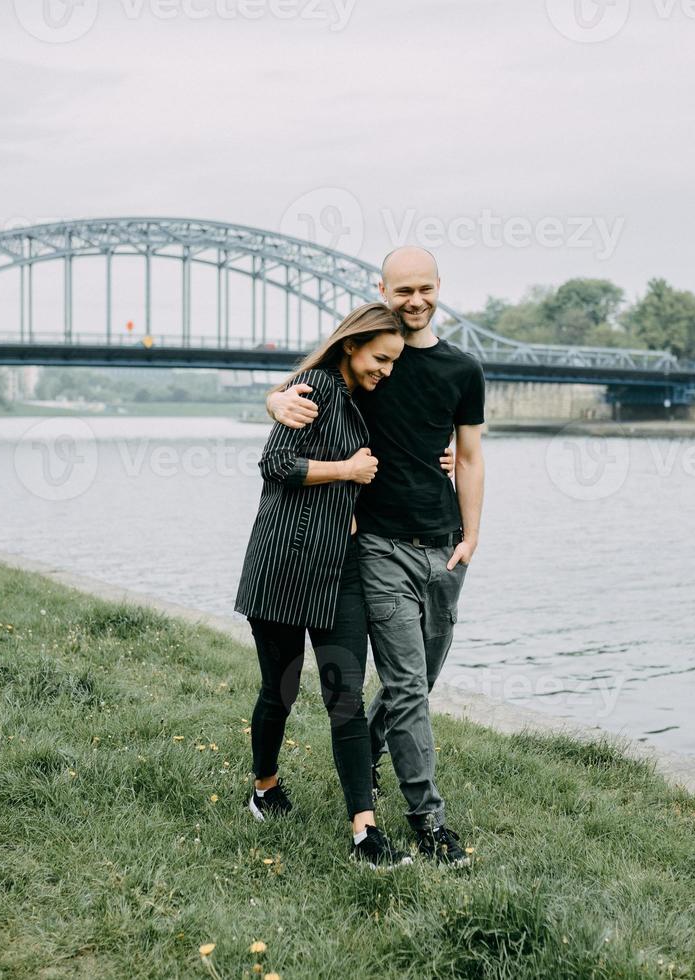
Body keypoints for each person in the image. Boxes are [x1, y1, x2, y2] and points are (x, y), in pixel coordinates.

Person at [266, 246, 486, 867]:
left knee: (419, 682)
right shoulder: (366, 361)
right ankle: (429, 821)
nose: (415, 300)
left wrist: (471, 536)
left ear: (440, 287)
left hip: (444, 548)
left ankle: (369, 756)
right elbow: (301, 384)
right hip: (379, 547)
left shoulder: (463, 370)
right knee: (408, 684)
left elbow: (468, 457)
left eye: (426, 289)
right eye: (403, 289)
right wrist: (272, 399)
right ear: (382, 289)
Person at [234, 302, 413, 868]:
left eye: (392, 362)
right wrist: (346, 470)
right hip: (284, 563)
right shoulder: (311, 388)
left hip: (341, 570)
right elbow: (276, 464)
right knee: (280, 689)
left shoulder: (364, 399)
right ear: (351, 346)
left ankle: (365, 833)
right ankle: (264, 789)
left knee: (346, 700)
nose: (385, 369)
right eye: (380, 358)